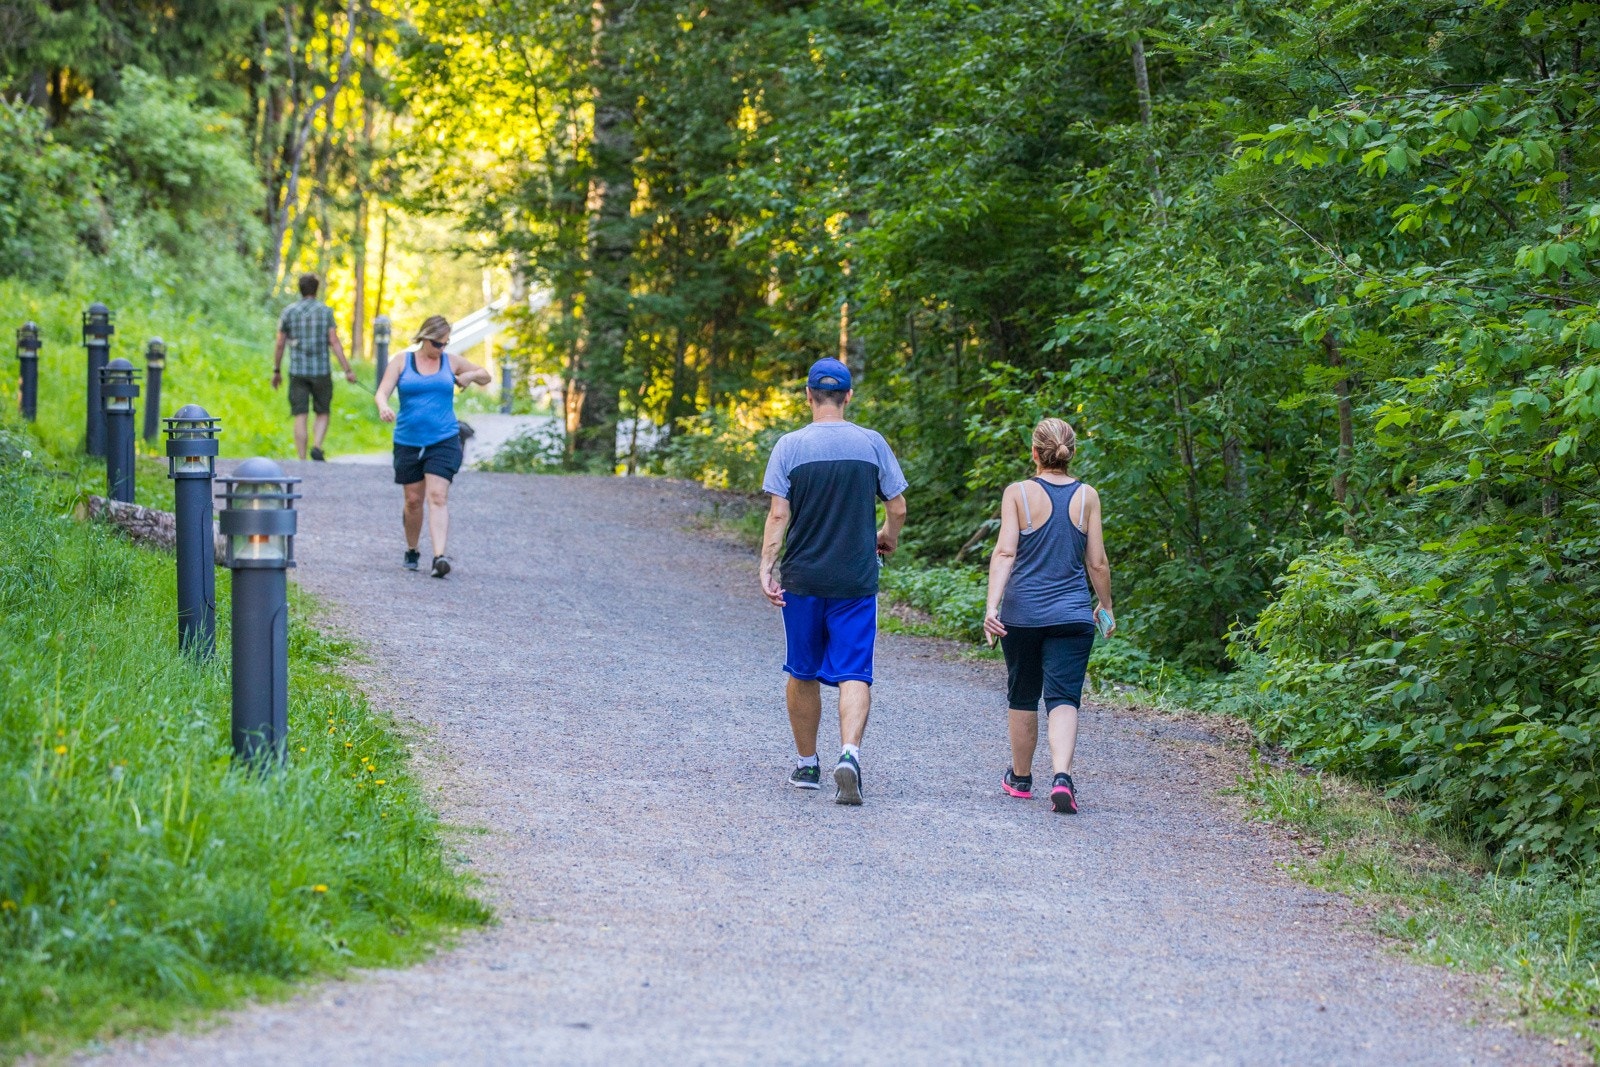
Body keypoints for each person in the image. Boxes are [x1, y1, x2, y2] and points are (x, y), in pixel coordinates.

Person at [760, 357, 908, 805]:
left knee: (801, 669)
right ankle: (850, 754)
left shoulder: (789, 446)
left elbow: (778, 515)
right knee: (854, 670)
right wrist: (887, 537)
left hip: (803, 578)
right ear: (848, 396)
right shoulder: (872, 443)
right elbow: (898, 507)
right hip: (856, 578)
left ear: (808, 395)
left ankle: (807, 765)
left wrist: (766, 566)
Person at [982, 417, 1114, 815]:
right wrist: (1105, 606)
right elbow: (1097, 562)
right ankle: (1062, 778)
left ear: (1035, 453)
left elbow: (1005, 552)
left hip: (1022, 615)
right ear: (1071, 452)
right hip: (1073, 615)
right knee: (1064, 697)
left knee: (1023, 692)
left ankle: (1021, 779)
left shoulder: (1017, 493)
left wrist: (992, 607)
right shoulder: (1087, 496)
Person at [374, 315, 490, 578]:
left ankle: (439, 557)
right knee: (413, 501)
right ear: (424, 338)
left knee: (437, 496)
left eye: (445, 343)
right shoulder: (402, 361)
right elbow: (382, 392)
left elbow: (486, 375)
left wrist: (470, 376)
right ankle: (412, 549)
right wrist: (383, 407)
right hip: (408, 441)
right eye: (437, 343)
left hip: (443, 439)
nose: (441, 348)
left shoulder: (451, 361)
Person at [272, 273, 358, 461]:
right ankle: (317, 446)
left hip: (298, 372)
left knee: (300, 414)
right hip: (321, 371)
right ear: (316, 289)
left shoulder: (289, 312)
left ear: (300, 289)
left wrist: (276, 371)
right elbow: (334, 341)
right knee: (322, 411)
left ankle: (302, 459)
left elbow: (280, 343)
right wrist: (347, 370)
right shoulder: (325, 312)